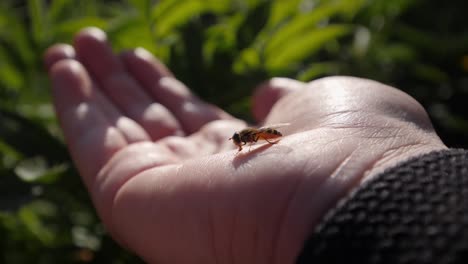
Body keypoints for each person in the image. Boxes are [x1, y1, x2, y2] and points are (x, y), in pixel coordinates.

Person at [44, 27, 468, 264]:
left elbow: (261, 142)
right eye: (241, 140)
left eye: (240, 139)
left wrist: (360, 175)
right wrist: (372, 176)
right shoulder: (245, 140)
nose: (239, 141)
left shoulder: (253, 139)